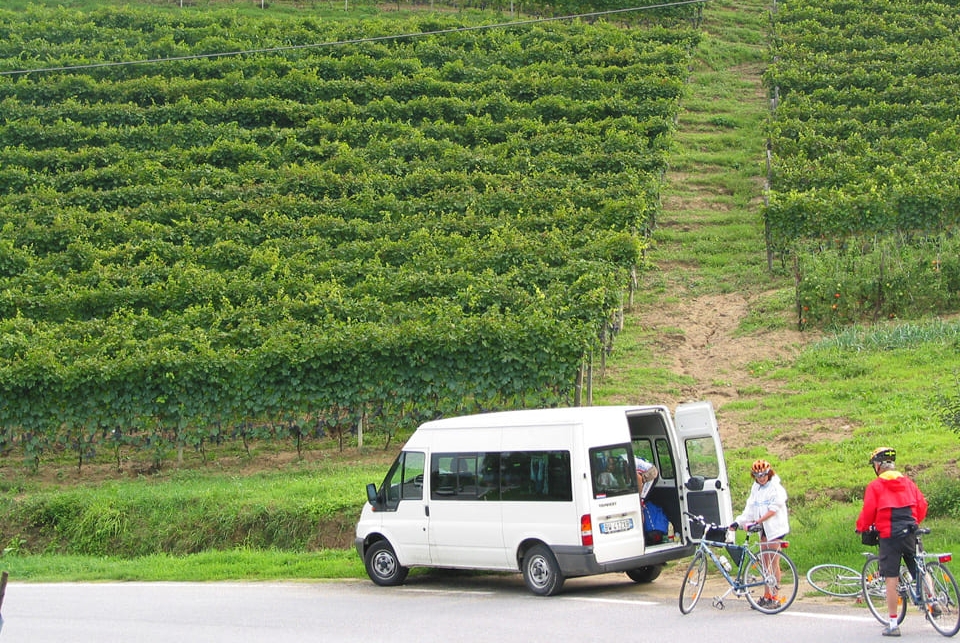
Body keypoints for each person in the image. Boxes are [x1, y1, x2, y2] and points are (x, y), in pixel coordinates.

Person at [856, 447, 929, 638]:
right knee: (919, 566)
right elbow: (921, 505)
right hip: (911, 530)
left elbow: (869, 511)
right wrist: (915, 521)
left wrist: (862, 527)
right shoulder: (908, 482)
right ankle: (933, 601)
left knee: (891, 577)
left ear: (878, 466)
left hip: (889, 535)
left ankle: (893, 623)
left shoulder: (876, 486)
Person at [728, 458, 790, 609]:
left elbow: (773, 510)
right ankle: (766, 595)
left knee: (773, 561)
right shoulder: (755, 489)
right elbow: (749, 509)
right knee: (764, 562)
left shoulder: (776, 488)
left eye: (763, 475)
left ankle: (774, 596)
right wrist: (738, 522)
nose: (761, 478)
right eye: (758, 476)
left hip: (775, 529)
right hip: (763, 529)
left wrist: (757, 521)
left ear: (769, 473)